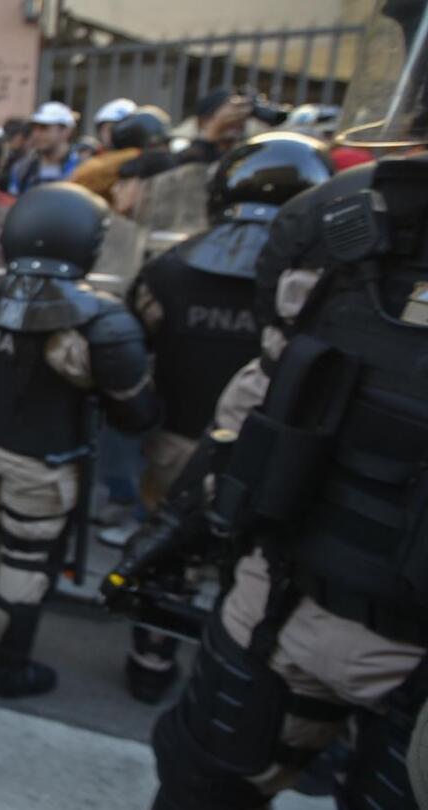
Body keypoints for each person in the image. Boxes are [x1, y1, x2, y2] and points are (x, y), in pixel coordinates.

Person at [106, 2, 428, 805]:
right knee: (200, 776)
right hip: (282, 589)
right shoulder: (335, 225)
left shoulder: (322, 224)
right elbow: (260, 402)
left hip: (289, 596)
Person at [117, 132, 334, 705]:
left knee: (170, 550)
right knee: (263, 570)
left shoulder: (166, 269)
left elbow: (137, 342)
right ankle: (235, 683)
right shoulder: (333, 288)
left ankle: (151, 661)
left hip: (180, 444)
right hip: (286, 460)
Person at [0, 182, 158, 697]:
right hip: (42, 461)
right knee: (25, 558)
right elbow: (137, 414)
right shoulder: (103, 320)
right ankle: (9, 667)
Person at [71, 107, 170, 204]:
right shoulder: (124, 158)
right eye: (103, 129)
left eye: (111, 128)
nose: (106, 135)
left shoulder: (137, 157)